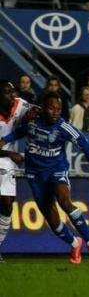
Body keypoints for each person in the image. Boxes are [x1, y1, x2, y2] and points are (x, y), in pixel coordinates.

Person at [0, 92, 89, 263]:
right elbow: (14, 135)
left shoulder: (64, 127)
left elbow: (87, 149)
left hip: (56, 170)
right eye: (51, 108)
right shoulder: (31, 123)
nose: (55, 112)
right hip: (35, 175)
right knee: (54, 222)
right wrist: (4, 143)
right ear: (43, 107)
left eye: (58, 109)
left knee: (64, 200)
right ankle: (75, 243)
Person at [0, 81, 33, 262]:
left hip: (8, 163)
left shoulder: (20, 104)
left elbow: (38, 112)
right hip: (7, 156)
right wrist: (11, 153)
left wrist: (32, 115)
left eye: (13, 92)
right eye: (7, 93)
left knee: (7, 206)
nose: (12, 96)